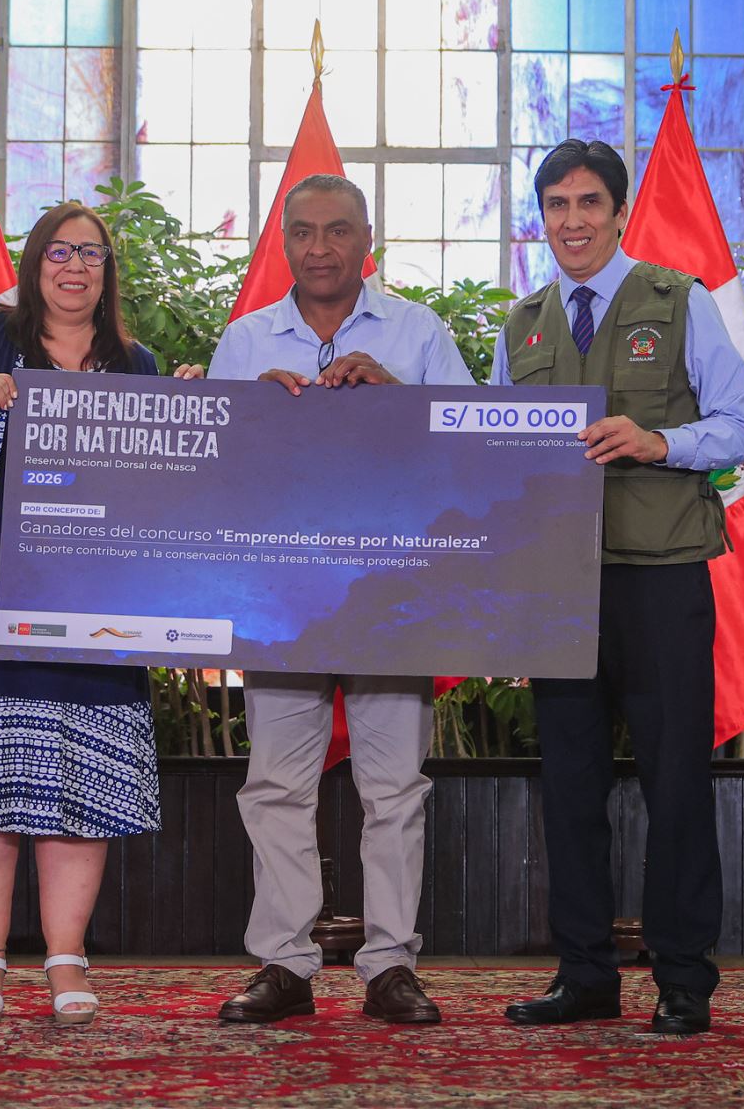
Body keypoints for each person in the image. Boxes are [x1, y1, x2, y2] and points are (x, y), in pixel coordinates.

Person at [0, 202, 202, 1027]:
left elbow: (166, 491)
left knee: (79, 773)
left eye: (91, 256)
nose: (75, 267)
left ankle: (66, 959)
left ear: (108, 274)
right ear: (35, 264)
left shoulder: (137, 364)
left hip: (92, 600)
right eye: (60, 252)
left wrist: (191, 411)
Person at [496, 140, 744, 1034]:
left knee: (675, 780)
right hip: (557, 586)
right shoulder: (522, 324)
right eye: (556, 205)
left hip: (659, 579)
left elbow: (740, 428)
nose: (572, 221)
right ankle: (585, 978)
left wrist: (660, 442)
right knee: (569, 786)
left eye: (588, 204)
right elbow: (497, 457)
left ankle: (683, 979)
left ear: (617, 214)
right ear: (544, 218)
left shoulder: (678, 303)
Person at [204, 173, 474, 1026]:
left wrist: (403, 400)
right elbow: (207, 470)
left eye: (339, 230)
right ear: (283, 243)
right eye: (305, 231)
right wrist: (250, 418)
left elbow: (475, 455)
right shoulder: (244, 341)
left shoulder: (418, 332)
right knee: (276, 787)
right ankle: (283, 967)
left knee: (394, 787)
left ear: (369, 241)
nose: (321, 246)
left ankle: (390, 965)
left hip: (395, 592)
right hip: (281, 596)